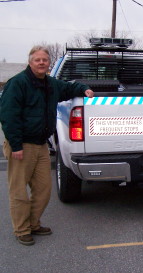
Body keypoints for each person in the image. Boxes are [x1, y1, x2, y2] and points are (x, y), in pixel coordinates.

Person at [0, 46, 94, 245]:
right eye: (37, 60)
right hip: (21, 145)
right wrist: (16, 145)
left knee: (43, 190)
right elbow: (9, 116)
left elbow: (69, 88)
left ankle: (34, 224)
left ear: (49, 63)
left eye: (45, 59)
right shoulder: (17, 84)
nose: (42, 62)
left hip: (41, 145)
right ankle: (22, 230)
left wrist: (83, 88)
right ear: (30, 62)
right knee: (19, 192)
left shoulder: (51, 84)